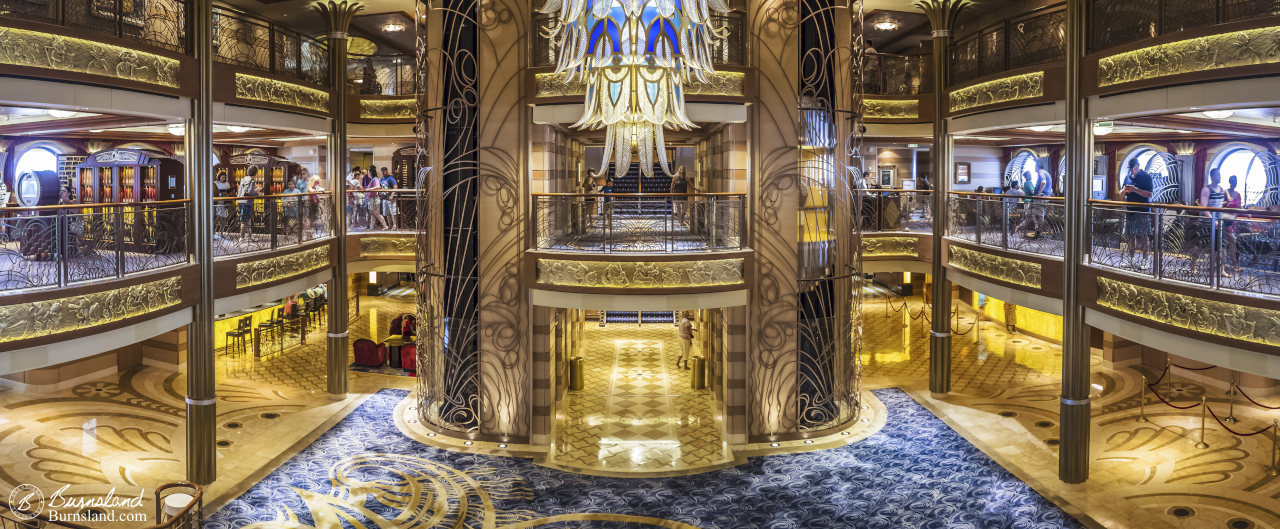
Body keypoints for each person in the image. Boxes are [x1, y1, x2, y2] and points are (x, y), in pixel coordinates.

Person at [1122, 157, 1154, 267]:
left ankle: (1145, 261)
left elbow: (1149, 194)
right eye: (1130, 169)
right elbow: (1122, 194)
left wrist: (1135, 189)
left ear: (1137, 167)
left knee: (1144, 236)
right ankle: (1131, 259)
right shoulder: (1127, 177)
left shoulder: (1146, 177)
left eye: (1132, 169)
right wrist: (1124, 191)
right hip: (1130, 210)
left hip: (1143, 211)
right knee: (1131, 236)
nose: (1131, 171)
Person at [1222, 174, 1242, 277]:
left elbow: (1239, 207)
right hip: (1225, 221)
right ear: (1230, 181)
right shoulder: (1225, 192)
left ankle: (1233, 266)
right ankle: (1228, 267)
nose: (1235, 182)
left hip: (1234, 222)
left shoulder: (1238, 195)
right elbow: (1220, 204)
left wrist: (1247, 213)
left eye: (1236, 180)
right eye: (1233, 180)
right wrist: (1227, 202)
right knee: (1228, 244)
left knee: (1231, 244)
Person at [238, 167, 260, 242]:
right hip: (247, 202)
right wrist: (256, 191)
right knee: (244, 220)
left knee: (247, 219)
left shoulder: (243, 179)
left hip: (240, 201)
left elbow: (240, 190)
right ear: (255, 173)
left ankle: (250, 236)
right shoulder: (252, 181)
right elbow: (250, 192)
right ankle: (241, 237)